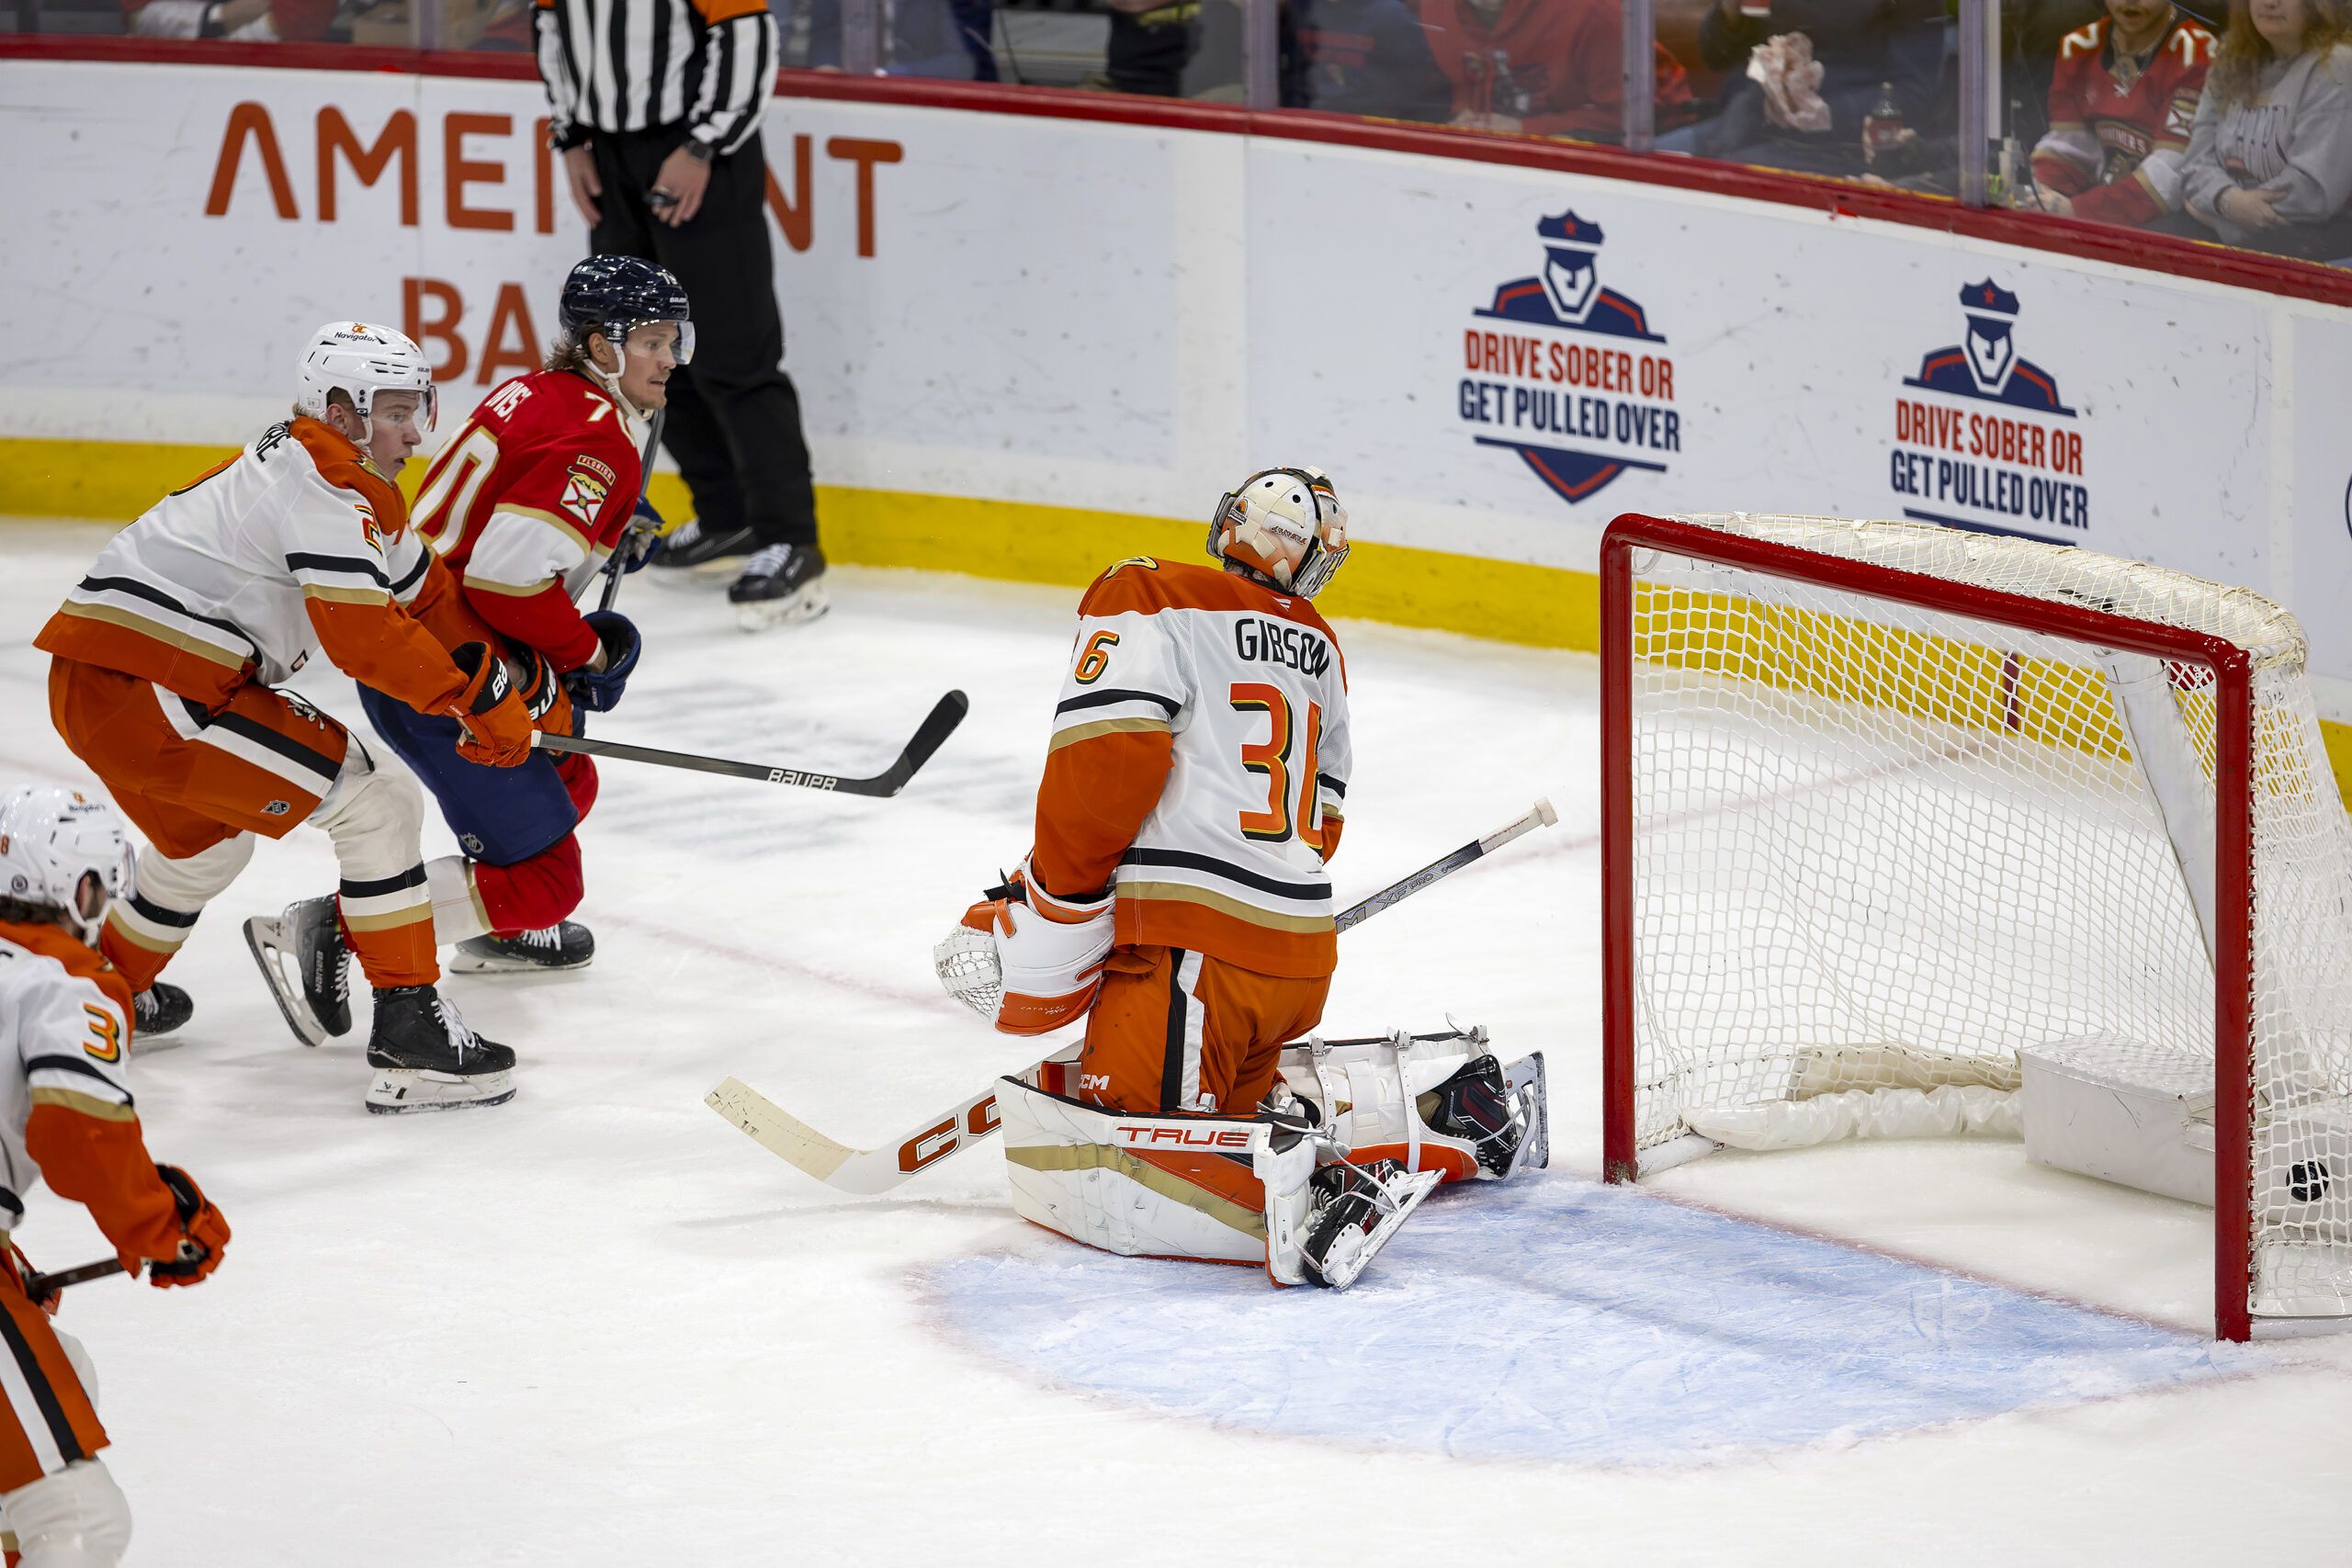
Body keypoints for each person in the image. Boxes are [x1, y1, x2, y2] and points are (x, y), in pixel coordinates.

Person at [935, 468, 1443, 1289]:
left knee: (1126, 1160)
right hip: (1296, 965)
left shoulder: (1148, 596)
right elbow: (1326, 822)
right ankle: (1388, 1128)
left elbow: (1104, 771)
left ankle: (1327, 1187)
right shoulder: (1319, 644)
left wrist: (1060, 895)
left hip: (1192, 969)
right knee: (1225, 1135)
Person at [35, 323, 535, 1116]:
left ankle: (96, 995)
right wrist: (474, 702)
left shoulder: (328, 466)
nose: (414, 431)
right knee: (379, 802)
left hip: (101, 680)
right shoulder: (326, 485)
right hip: (158, 688)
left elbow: (426, 594)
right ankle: (412, 1034)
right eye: (395, 411)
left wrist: (500, 679)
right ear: (340, 411)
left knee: (204, 845)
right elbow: (365, 635)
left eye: (419, 407)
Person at [353, 256, 673, 976]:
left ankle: (492, 921)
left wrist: (601, 526)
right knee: (549, 882)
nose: (669, 358)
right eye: (652, 341)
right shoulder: (599, 439)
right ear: (602, 347)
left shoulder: (538, 391)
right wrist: (588, 654)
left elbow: (505, 513)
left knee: (572, 775)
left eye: (672, 340)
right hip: (453, 674)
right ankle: (332, 930)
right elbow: (507, 583)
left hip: (422, 643)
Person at [537, 0, 834, 628]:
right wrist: (569, 136)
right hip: (609, 151)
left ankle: (791, 537)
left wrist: (703, 144)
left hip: (698, 153)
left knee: (736, 349)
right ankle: (727, 513)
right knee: (637, 353)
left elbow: (747, 36)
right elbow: (554, 29)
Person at [0, 785, 231, 1568]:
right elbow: (78, 1134)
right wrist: (160, 1226)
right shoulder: (63, 985)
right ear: (81, 888)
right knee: (78, 1522)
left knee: (65, 1364)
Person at [2176, 0, 2352, 258]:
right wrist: (2228, 201)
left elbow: (2313, 191)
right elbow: (2193, 163)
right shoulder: (2230, 59)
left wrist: (2219, 218)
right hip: (2234, 215)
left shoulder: (2338, 66)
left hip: (2312, 235)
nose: (2270, 3)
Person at [2024, 0, 2216, 224]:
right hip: (2100, 207)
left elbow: (2171, 176)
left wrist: (2079, 210)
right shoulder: (2078, 47)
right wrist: (2041, 192)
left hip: (2175, 223)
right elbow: (2070, 147)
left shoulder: (2198, 55)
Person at [1419, 0, 1693, 141]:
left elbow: (1637, 114)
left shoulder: (1595, 12)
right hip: (1493, 148)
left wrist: (1527, 129)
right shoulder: (1429, 8)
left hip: (1654, 140)